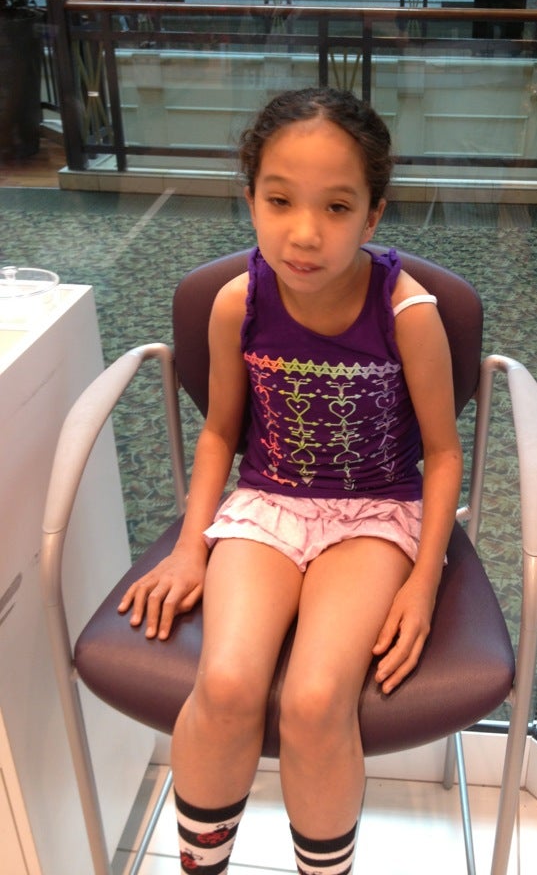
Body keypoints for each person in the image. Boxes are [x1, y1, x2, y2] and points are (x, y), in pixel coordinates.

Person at [118, 87, 463, 875]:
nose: (304, 233)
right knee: (226, 684)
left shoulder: (407, 312)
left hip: (375, 514)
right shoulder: (238, 303)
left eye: (336, 208)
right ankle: (202, 863)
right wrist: (190, 546)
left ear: (372, 217)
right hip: (268, 504)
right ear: (251, 200)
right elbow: (220, 432)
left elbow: (444, 454)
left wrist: (423, 582)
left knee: (314, 700)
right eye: (279, 201)